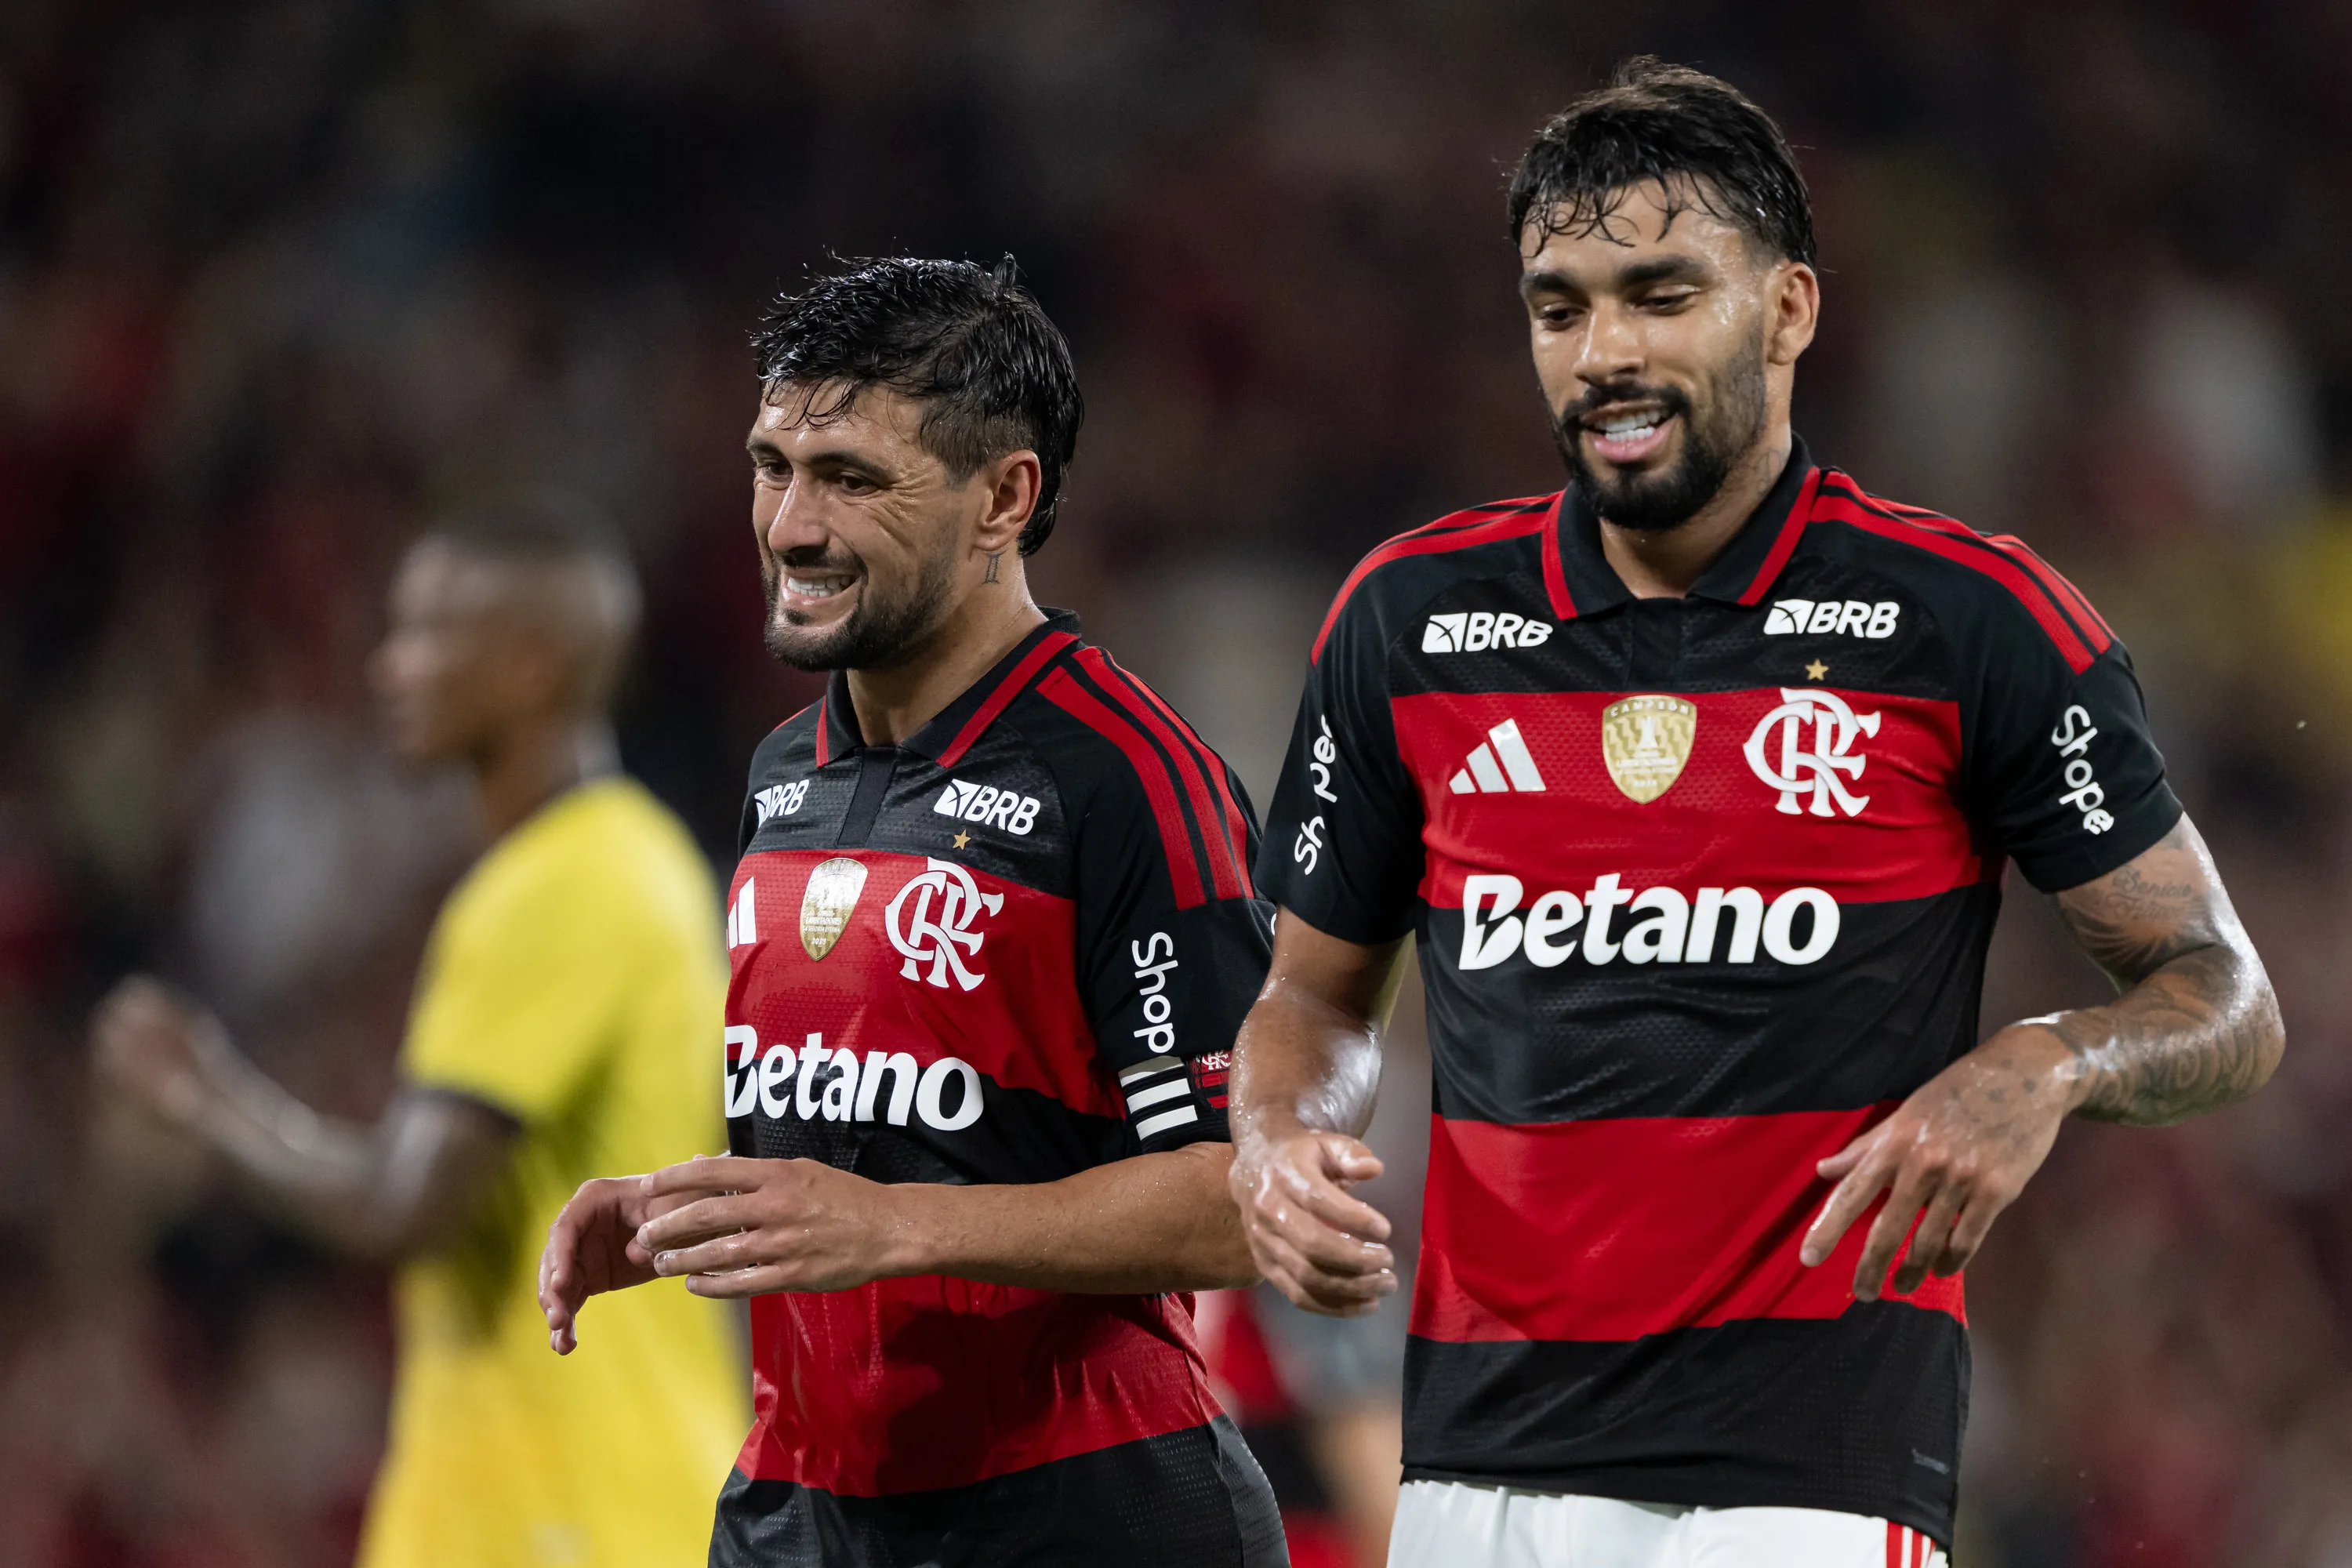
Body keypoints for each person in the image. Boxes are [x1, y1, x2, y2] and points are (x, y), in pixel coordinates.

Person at [1229, 57, 2285, 1568]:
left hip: (1810, 1480)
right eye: (1560, 307)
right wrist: (1278, 1139)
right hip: (1473, 1470)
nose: (1604, 351)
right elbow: (1314, 1002)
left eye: (1662, 295)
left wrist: (2048, 1065)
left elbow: (2226, 997)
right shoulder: (1406, 622)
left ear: (1789, 310)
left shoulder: (1969, 622)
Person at [536, 256, 1288, 1566]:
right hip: (805, 1516)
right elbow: (875, 1136)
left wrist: (892, 1229)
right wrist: (676, 1207)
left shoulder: (1123, 779)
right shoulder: (783, 777)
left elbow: (1244, 1198)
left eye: (853, 480)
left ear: (1006, 497)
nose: (790, 527)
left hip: (1084, 1517)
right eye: (775, 466)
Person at [92, 502, 746, 1568]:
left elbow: (406, 1206)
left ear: (535, 666)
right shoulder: (641, 865)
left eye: (432, 633)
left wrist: (203, 1092)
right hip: (581, 1504)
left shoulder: (560, 884)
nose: (392, 666)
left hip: (574, 1517)